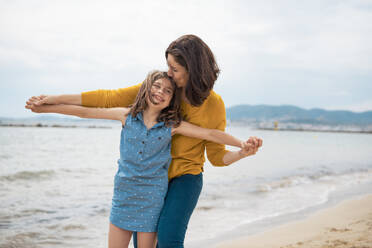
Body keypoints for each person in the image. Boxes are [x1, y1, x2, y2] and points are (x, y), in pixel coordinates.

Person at [26, 34, 263, 248]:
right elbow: (106, 99)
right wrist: (52, 100)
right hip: (149, 183)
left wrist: (242, 150)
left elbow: (216, 151)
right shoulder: (161, 87)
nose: (168, 73)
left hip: (184, 178)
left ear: (192, 69)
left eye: (175, 68)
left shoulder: (209, 105)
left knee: (169, 239)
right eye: (168, 66)